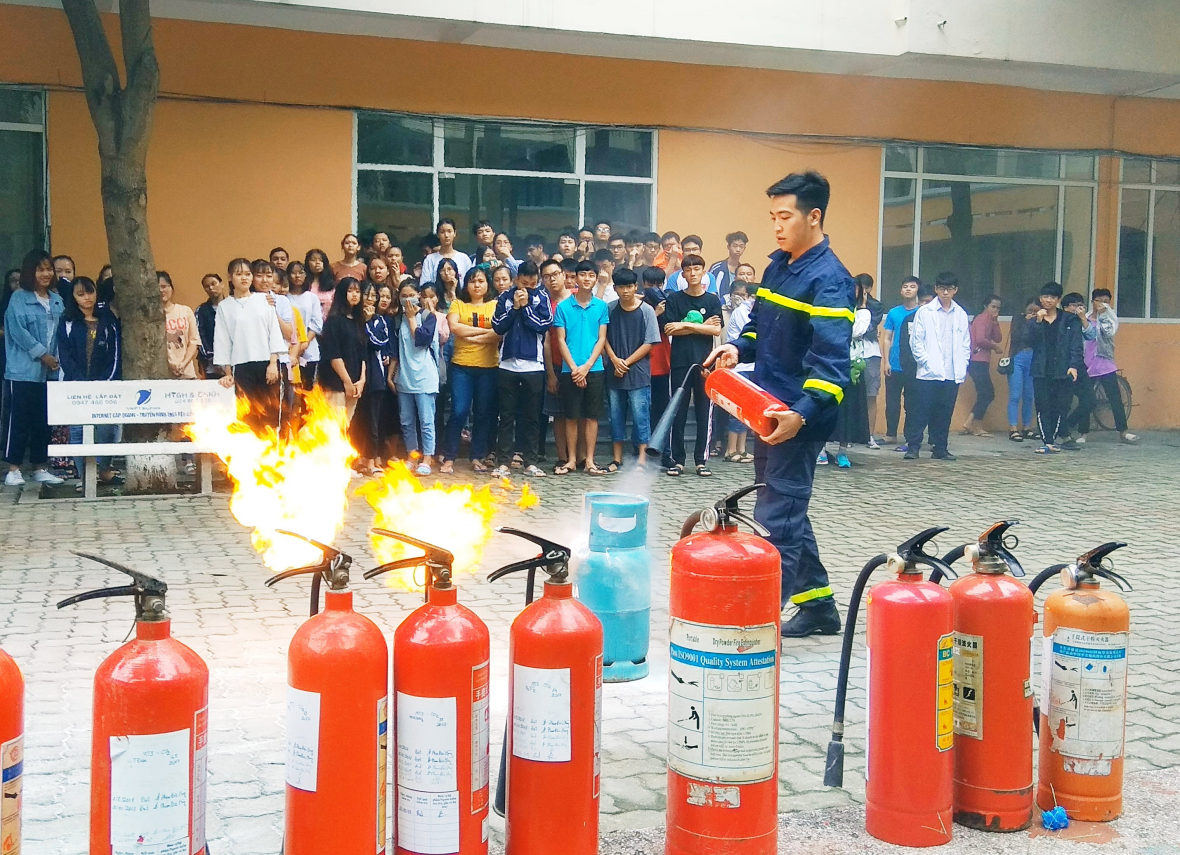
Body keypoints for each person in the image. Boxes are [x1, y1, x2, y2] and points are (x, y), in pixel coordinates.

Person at [706, 170, 854, 638]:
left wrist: (801, 414)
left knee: (774, 520)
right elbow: (758, 325)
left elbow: (833, 365)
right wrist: (738, 348)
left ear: (814, 216)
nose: (776, 226)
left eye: (784, 216)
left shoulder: (830, 280)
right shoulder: (778, 267)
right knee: (784, 507)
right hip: (767, 409)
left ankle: (756, 623)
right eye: (772, 216)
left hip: (796, 419)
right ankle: (819, 606)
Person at [3, 251, 65, 487]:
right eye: (40, 269)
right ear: (30, 272)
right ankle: (13, 469)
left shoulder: (56, 299)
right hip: (22, 371)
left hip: (49, 373)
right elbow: (18, 332)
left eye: (49, 268)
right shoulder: (19, 298)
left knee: (43, 421)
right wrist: (43, 354)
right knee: (18, 421)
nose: (46, 273)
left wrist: (55, 361)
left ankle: (41, 466)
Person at [58, 277, 122, 487]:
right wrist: (79, 381)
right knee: (77, 430)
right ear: (73, 297)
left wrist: (104, 381)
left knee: (107, 428)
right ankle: (84, 476)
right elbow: (65, 356)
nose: (87, 298)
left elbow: (115, 354)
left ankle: (103, 469)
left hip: (104, 386)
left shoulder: (108, 320)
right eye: (81, 294)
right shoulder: (67, 321)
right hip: (76, 386)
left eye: (90, 292)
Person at [663, 253, 722, 476]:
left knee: (704, 412)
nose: (693, 273)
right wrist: (701, 326)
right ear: (683, 273)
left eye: (697, 269)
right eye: (688, 270)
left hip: (705, 364)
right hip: (679, 362)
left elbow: (716, 330)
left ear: (704, 272)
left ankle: (701, 460)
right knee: (677, 410)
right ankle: (677, 460)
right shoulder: (675, 299)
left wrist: (684, 326)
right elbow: (669, 328)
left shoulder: (712, 300)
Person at [490, 260, 551, 479]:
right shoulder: (505, 298)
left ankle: (530, 462)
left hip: (534, 365)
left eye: (533, 282)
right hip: (507, 365)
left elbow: (543, 326)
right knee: (505, 416)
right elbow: (497, 326)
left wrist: (525, 307)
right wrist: (515, 307)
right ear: (517, 280)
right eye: (525, 282)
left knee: (532, 417)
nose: (529, 286)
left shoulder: (542, 297)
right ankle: (504, 462)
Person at [214, 258, 287, 433]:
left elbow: (274, 333)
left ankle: (274, 454)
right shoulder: (225, 307)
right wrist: (228, 372)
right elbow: (223, 340)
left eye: (248, 274)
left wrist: (272, 363)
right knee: (248, 414)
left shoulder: (264, 300)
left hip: (266, 364)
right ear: (230, 278)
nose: (244, 278)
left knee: (271, 412)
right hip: (241, 366)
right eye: (239, 274)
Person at [905, 272, 970, 461]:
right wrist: (925, 361)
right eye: (942, 288)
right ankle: (914, 447)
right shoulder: (925, 312)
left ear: (955, 290)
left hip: (951, 371)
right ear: (936, 289)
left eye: (949, 289)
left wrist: (963, 363)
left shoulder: (961, 314)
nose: (945, 292)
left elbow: (966, 343)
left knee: (944, 412)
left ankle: (940, 447)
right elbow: (916, 341)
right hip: (928, 372)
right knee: (920, 410)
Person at [554, 260, 610, 475]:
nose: (587, 279)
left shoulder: (601, 306)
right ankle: (570, 460)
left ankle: (590, 461)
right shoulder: (563, 307)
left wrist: (586, 367)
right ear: (575, 278)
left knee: (592, 416)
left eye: (591, 275)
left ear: (596, 279)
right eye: (583, 275)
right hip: (570, 369)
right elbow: (560, 340)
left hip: (594, 368)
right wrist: (575, 368)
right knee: (571, 416)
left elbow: (602, 338)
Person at [442, 267, 501, 474]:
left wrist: (470, 336)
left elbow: (498, 333)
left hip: (488, 367)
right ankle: (449, 458)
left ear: (488, 284)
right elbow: (454, 328)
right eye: (472, 281)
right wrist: (485, 333)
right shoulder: (458, 304)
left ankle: (477, 457)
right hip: (461, 367)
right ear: (466, 284)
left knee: (483, 413)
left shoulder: (495, 305)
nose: (477, 285)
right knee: (459, 411)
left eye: (481, 281)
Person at [604, 268, 660, 471]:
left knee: (640, 415)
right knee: (615, 414)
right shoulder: (609, 309)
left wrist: (625, 363)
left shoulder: (646, 311)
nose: (626, 291)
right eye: (621, 287)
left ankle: (642, 459)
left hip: (638, 372)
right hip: (613, 371)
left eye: (629, 286)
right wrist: (614, 360)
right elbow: (603, 339)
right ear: (615, 288)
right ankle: (617, 459)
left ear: (636, 287)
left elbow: (650, 342)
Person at [1065, 288, 1137, 445]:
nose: (1103, 303)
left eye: (1106, 300)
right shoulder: (1084, 316)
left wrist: (1104, 313)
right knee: (1086, 399)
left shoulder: (1111, 317)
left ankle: (1123, 431)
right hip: (1087, 363)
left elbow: (1108, 332)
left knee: (1115, 398)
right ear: (1093, 301)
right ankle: (1083, 432)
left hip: (1105, 363)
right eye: (1099, 300)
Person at [1025, 281, 1083, 454]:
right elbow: (1028, 341)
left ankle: (1055, 437)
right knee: (1042, 405)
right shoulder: (1035, 319)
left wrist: (1074, 365)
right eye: (1045, 297)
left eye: (1052, 297)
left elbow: (1076, 344)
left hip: (1062, 370)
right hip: (1041, 370)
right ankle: (1047, 441)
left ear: (1058, 300)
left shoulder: (1069, 319)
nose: (1048, 300)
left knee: (1060, 406)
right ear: (1041, 299)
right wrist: (1038, 321)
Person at [395, 282, 441, 476]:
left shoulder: (428, 317)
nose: (408, 299)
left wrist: (413, 319)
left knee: (426, 420)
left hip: (425, 377)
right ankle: (412, 456)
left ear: (419, 296)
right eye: (403, 295)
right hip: (404, 376)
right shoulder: (397, 319)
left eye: (412, 294)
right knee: (406, 421)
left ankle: (428, 458)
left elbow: (421, 339)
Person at [828, 278, 874, 467]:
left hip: (852, 367)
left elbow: (855, 331)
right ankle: (821, 450)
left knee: (848, 411)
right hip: (830, 364)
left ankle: (842, 451)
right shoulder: (832, 309)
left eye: (855, 289)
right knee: (828, 408)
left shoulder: (863, 313)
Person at [317, 277, 368, 426]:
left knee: (345, 426)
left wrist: (361, 380)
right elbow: (333, 354)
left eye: (357, 291)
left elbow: (363, 353)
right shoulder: (334, 320)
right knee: (332, 427)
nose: (354, 295)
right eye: (350, 291)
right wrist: (347, 382)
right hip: (336, 382)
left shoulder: (358, 321)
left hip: (355, 382)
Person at [355, 281, 393, 475]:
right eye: (366, 295)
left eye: (373, 296)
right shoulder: (351, 318)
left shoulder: (380, 321)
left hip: (375, 377)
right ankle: (359, 458)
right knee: (357, 421)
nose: (370, 299)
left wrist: (368, 322)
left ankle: (372, 460)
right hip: (354, 375)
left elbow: (379, 342)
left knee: (373, 421)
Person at [879, 276, 920, 444]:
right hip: (894, 364)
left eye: (912, 286)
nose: (908, 289)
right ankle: (890, 435)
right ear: (901, 291)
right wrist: (886, 361)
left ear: (918, 290)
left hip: (914, 365)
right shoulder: (894, 313)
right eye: (905, 286)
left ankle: (910, 437)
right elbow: (887, 337)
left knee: (911, 403)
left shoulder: (922, 313)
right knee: (892, 403)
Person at [641, 266, 673, 470]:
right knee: (642, 413)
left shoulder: (669, 303)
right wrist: (654, 313)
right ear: (644, 285)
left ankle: (665, 453)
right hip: (642, 367)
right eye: (651, 285)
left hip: (663, 365)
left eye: (659, 284)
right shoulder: (637, 305)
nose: (655, 289)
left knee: (662, 412)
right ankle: (642, 454)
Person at [896, 284, 936, 451]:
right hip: (913, 371)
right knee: (912, 406)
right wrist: (909, 369)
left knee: (935, 405)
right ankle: (911, 440)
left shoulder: (939, 320)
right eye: (923, 302)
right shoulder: (910, 319)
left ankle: (935, 440)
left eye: (929, 301)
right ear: (918, 302)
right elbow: (904, 347)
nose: (925, 305)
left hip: (935, 372)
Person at [540, 258, 570, 466]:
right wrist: (550, 373)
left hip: (581, 364)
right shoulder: (543, 304)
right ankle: (562, 458)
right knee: (559, 414)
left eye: (555, 274)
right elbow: (546, 341)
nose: (552, 279)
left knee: (581, 415)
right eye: (547, 276)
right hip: (557, 364)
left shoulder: (578, 298)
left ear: (564, 275)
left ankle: (582, 458)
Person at [722, 284, 755, 463]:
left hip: (752, 367)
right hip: (740, 367)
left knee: (748, 410)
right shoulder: (742, 311)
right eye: (754, 296)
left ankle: (741, 449)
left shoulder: (752, 310)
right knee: (738, 409)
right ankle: (730, 450)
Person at [962, 294, 1003, 436]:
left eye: (998, 308)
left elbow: (998, 337)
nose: (995, 310)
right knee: (987, 393)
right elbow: (980, 339)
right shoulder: (981, 319)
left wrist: (996, 321)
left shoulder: (990, 320)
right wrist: (995, 347)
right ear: (986, 306)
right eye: (993, 307)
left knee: (985, 393)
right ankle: (975, 425)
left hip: (982, 361)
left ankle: (971, 423)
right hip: (976, 360)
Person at [855, 273, 884, 448]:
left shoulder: (876, 305)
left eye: (866, 287)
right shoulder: (847, 303)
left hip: (870, 353)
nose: (862, 291)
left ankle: (870, 435)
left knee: (870, 395)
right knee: (851, 395)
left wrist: (863, 308)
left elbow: (867, 328)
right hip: (851, 354)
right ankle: (851, 434)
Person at [286, 261, 324, 390]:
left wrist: (305, 342)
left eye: (301, 272)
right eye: (293, 272)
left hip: (309, 349)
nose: (297, 276)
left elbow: (317, 323)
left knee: (307, 390)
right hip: (288, 348)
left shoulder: (312, 298)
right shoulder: (284, 297)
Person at [159, 272, 200, 380]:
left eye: (164, 286)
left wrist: (183, 364)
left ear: (171, 288)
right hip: (163, 376)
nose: (161, 290)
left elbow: (194, 341)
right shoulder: (150, 318)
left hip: (187, 373)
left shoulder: (185, 311)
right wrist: (170, 364)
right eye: (157, 287)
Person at [419, 219, 472, 287]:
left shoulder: (464, 258)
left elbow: (470, 282)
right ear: (438, 235)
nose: (446, 235)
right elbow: (425, 285)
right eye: (442, 232)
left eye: (449, 231)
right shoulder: (430, 259)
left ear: (454, 233)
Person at [194, 272, 224, 379]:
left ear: (222, 284)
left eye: (214, 283)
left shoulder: (233, 306)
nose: (211, 288)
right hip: (210, 363)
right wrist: (213, 357)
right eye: (207, 286)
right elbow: (199, 335)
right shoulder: (201, 310)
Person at [709, 232, 748, 302]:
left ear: (744, 248)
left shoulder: (743, 270)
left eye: (741, 246)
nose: (738, 249)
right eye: (735, 246)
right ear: (728, 247)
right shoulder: (717, 268)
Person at [305, 249, 336, 316]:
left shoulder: (331, 284)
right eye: (313, 260)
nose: (317, 262)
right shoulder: (304, 284)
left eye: (321, 260)